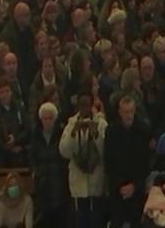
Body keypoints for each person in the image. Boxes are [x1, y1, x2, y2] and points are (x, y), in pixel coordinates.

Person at [58, 89, 108, 228]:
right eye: (82, 105)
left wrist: (96, 134)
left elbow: (105, 152)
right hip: (78, 183)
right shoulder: (71, 124)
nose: (84, 108)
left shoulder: (101, 123)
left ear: (92, 105)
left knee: (96, 221)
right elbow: (64, 151)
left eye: (87, 105)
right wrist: (74, 132)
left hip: (96, 182)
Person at [104, 95, 152, 227]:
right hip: (117, 188)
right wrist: (119, 186)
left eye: (131, 111)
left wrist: (134, 185)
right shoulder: (112, 131)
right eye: (125, 112)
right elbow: (108, 162)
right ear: (120, 112)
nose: (129, 115)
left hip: (137, 188)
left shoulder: (143, 131)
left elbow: (146, 162)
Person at [29, 103, 68, 228]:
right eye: (45, 118)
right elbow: (31, 157)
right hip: (42, 181)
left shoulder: (62, 134)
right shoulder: (36, 136)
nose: (47, 121)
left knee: (59, 215)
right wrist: (34, 171)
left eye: (50, 118)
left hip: (58, 180)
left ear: (55, 119)